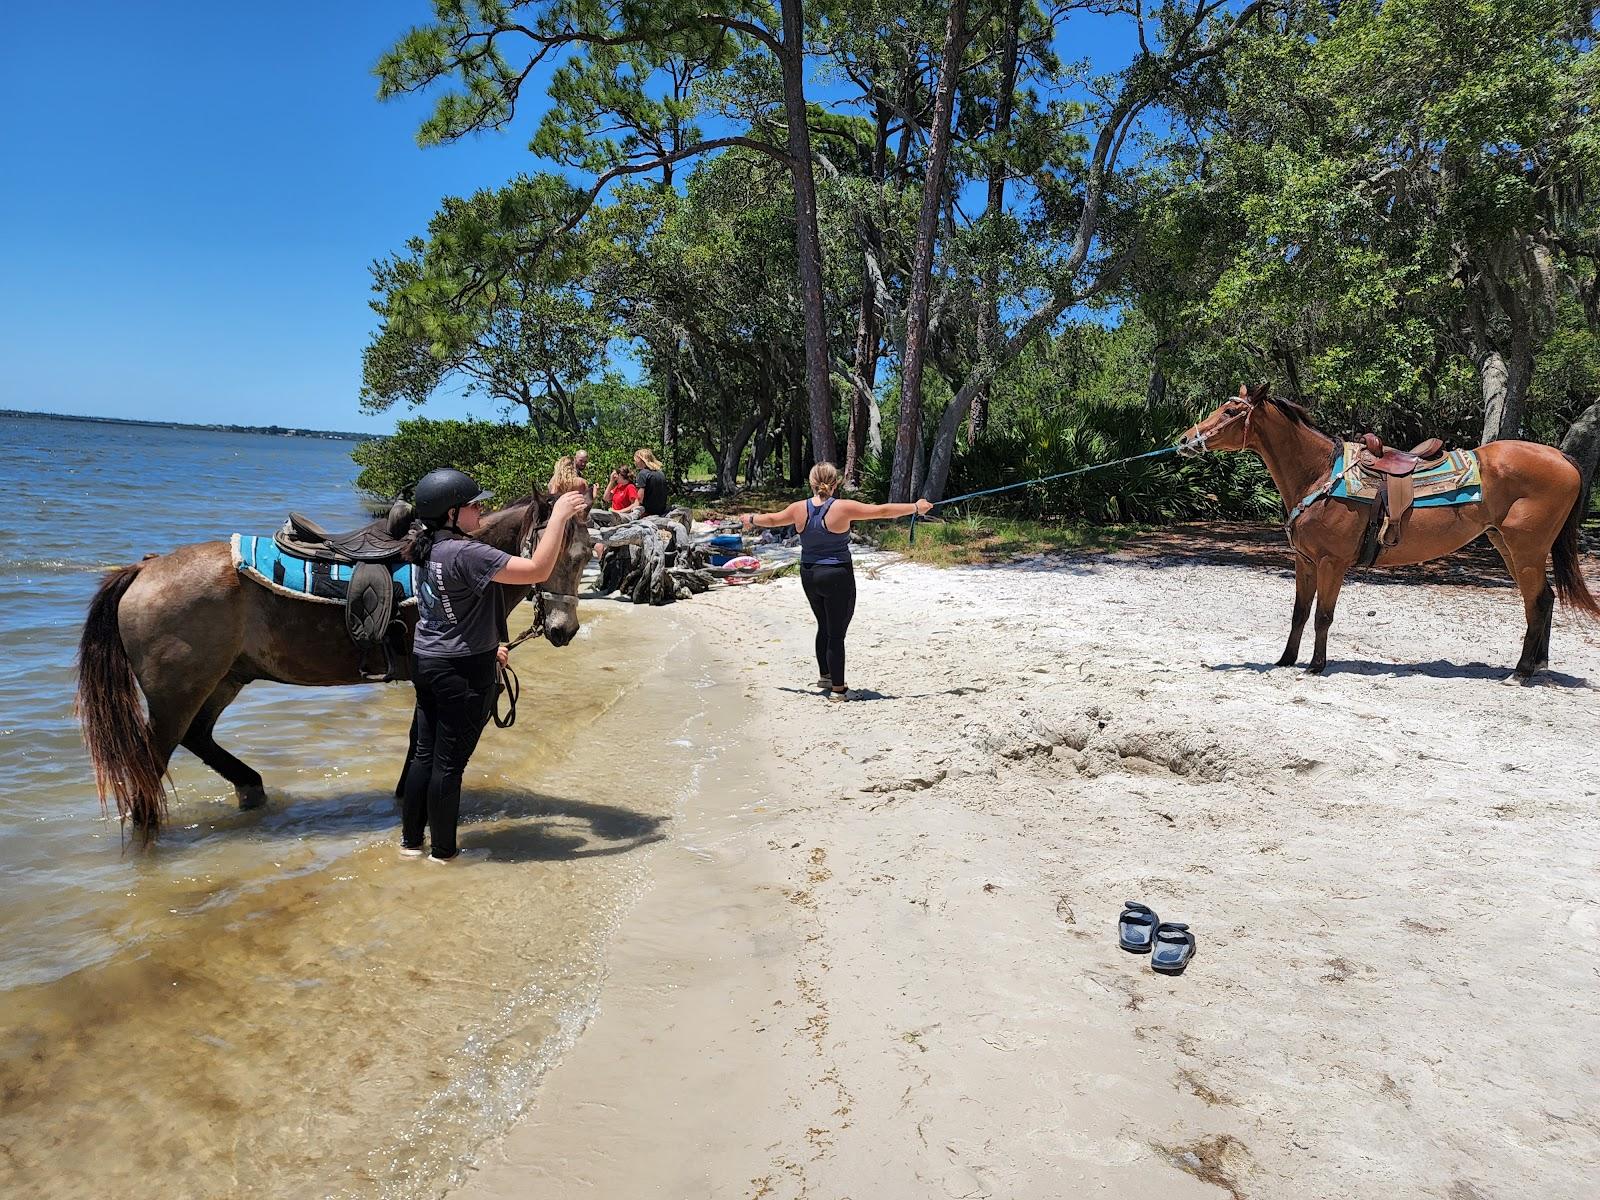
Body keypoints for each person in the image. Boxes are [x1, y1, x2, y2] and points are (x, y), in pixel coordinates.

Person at [399, 467, 587, 861]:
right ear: (452, 513)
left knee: (423, 756)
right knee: (448, 767)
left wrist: (490, 646)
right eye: (472, 505)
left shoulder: (426, 546)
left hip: (428, 660)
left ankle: (411, 846)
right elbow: (537, 569)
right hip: (461, 672)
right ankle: (444, 854)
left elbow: (450, 609)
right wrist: (557, 518)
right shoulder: (468, 552)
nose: (481, 510)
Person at [733, 463, 931, 701]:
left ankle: (826, 676)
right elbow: (882, 510)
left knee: (824, 626)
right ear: (835, 483)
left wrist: (750, 518)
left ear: (812, 482)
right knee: (836, 633)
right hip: (837, 575)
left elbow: (774, 520)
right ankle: (839, 690)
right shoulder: (843, 508)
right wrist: (915, 508)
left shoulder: (798, 508)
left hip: (809, 574)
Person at [634, 449, 669, 517]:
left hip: (648, 512)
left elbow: (639, 498)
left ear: (641, 460)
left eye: (636, 460)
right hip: (661, 510)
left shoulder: (642, 474)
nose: (635, 462)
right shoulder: (660, 473)